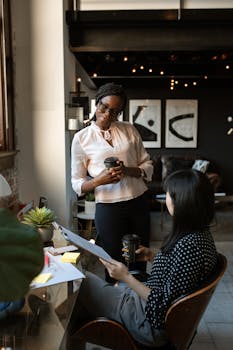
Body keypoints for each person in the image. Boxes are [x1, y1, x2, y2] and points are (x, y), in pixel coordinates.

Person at [68, 169, 218, 347]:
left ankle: (74, 335)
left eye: (169, 193)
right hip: (145, 307)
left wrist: (125, 277)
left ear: (182, 202)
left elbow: (162, 305)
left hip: (148, 322)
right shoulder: (199, 235)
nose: (166, 197)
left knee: (78, 280)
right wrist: (151, 256)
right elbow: (179, 279)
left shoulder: (189, 246)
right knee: (83, 289)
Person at [71, 82, 153, 281]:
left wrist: (128, 170)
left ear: (120, 113)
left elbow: (147, 164)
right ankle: (116, 307)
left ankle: (139, 305)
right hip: (109, 208)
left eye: (114, 111)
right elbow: (77, 183)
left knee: (138, 259)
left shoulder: (129, 130)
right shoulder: (82, 138)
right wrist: (99, 180)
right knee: (113, 261)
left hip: (138, 202)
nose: (107, 114)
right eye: (104, 107)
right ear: (97, 103)